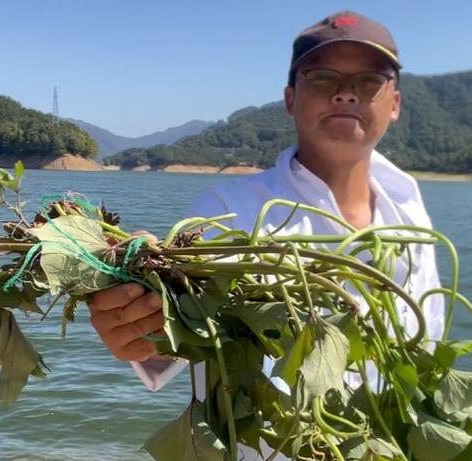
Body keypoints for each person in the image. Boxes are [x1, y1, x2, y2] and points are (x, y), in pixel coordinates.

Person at [87, 10, 445, 459]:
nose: (345, 93)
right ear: (291, 98)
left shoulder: (409, 207)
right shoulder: (228, 214)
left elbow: (426, 340)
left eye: (369, 81)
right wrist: (135, 317)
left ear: (394, 103)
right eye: (322, 77)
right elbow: (173, 342)